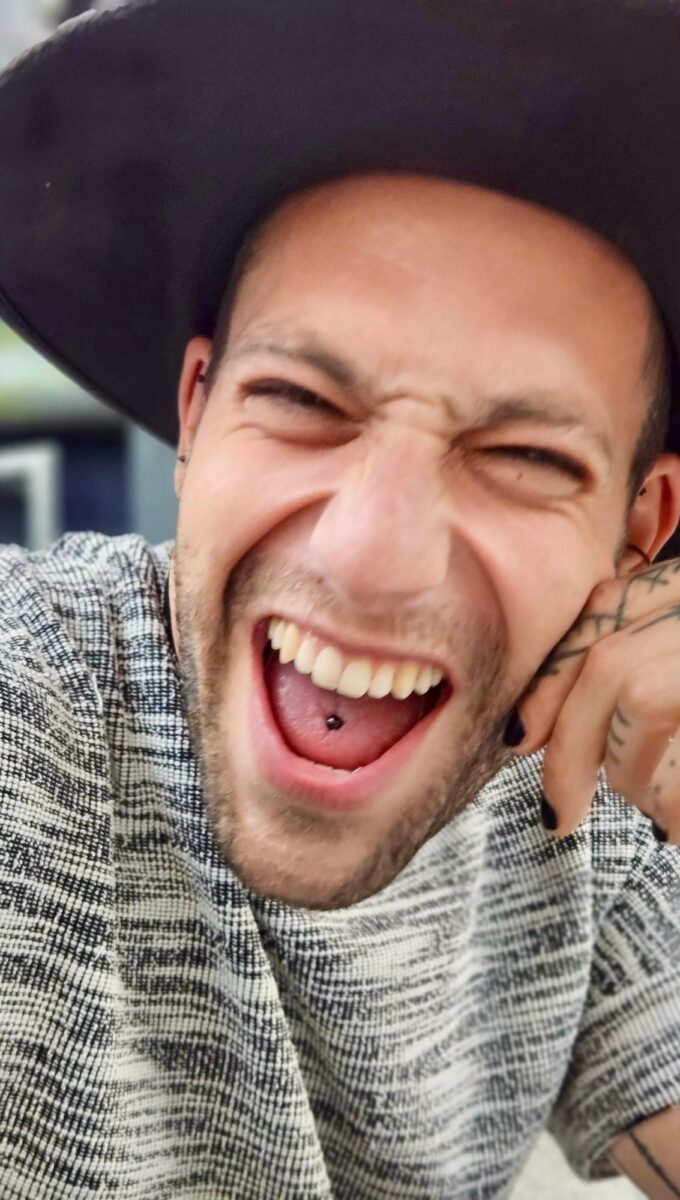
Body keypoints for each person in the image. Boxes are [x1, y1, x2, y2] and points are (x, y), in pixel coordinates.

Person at [0, 1, 678, 1196]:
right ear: (197, 411)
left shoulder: (593, 800)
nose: (368, 556)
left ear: (638, 533)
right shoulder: (31, 695)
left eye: (524, 456)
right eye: (303, 401)